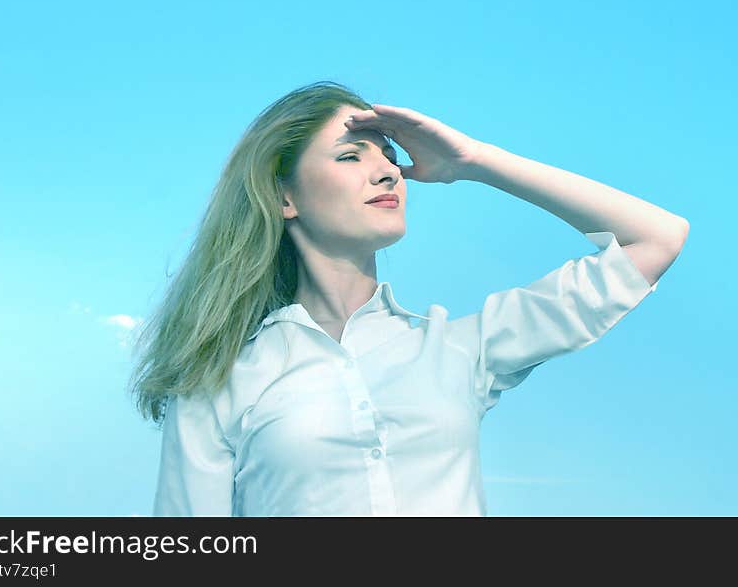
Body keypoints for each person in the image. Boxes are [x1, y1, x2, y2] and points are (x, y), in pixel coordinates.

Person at [130, 80, 689, 516]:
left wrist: (474, 160)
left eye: (388, 157)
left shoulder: (460, 348)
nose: (386, 172)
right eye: (351, 157)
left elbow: (657, 238)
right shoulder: (218, 381)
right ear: (284, 197)